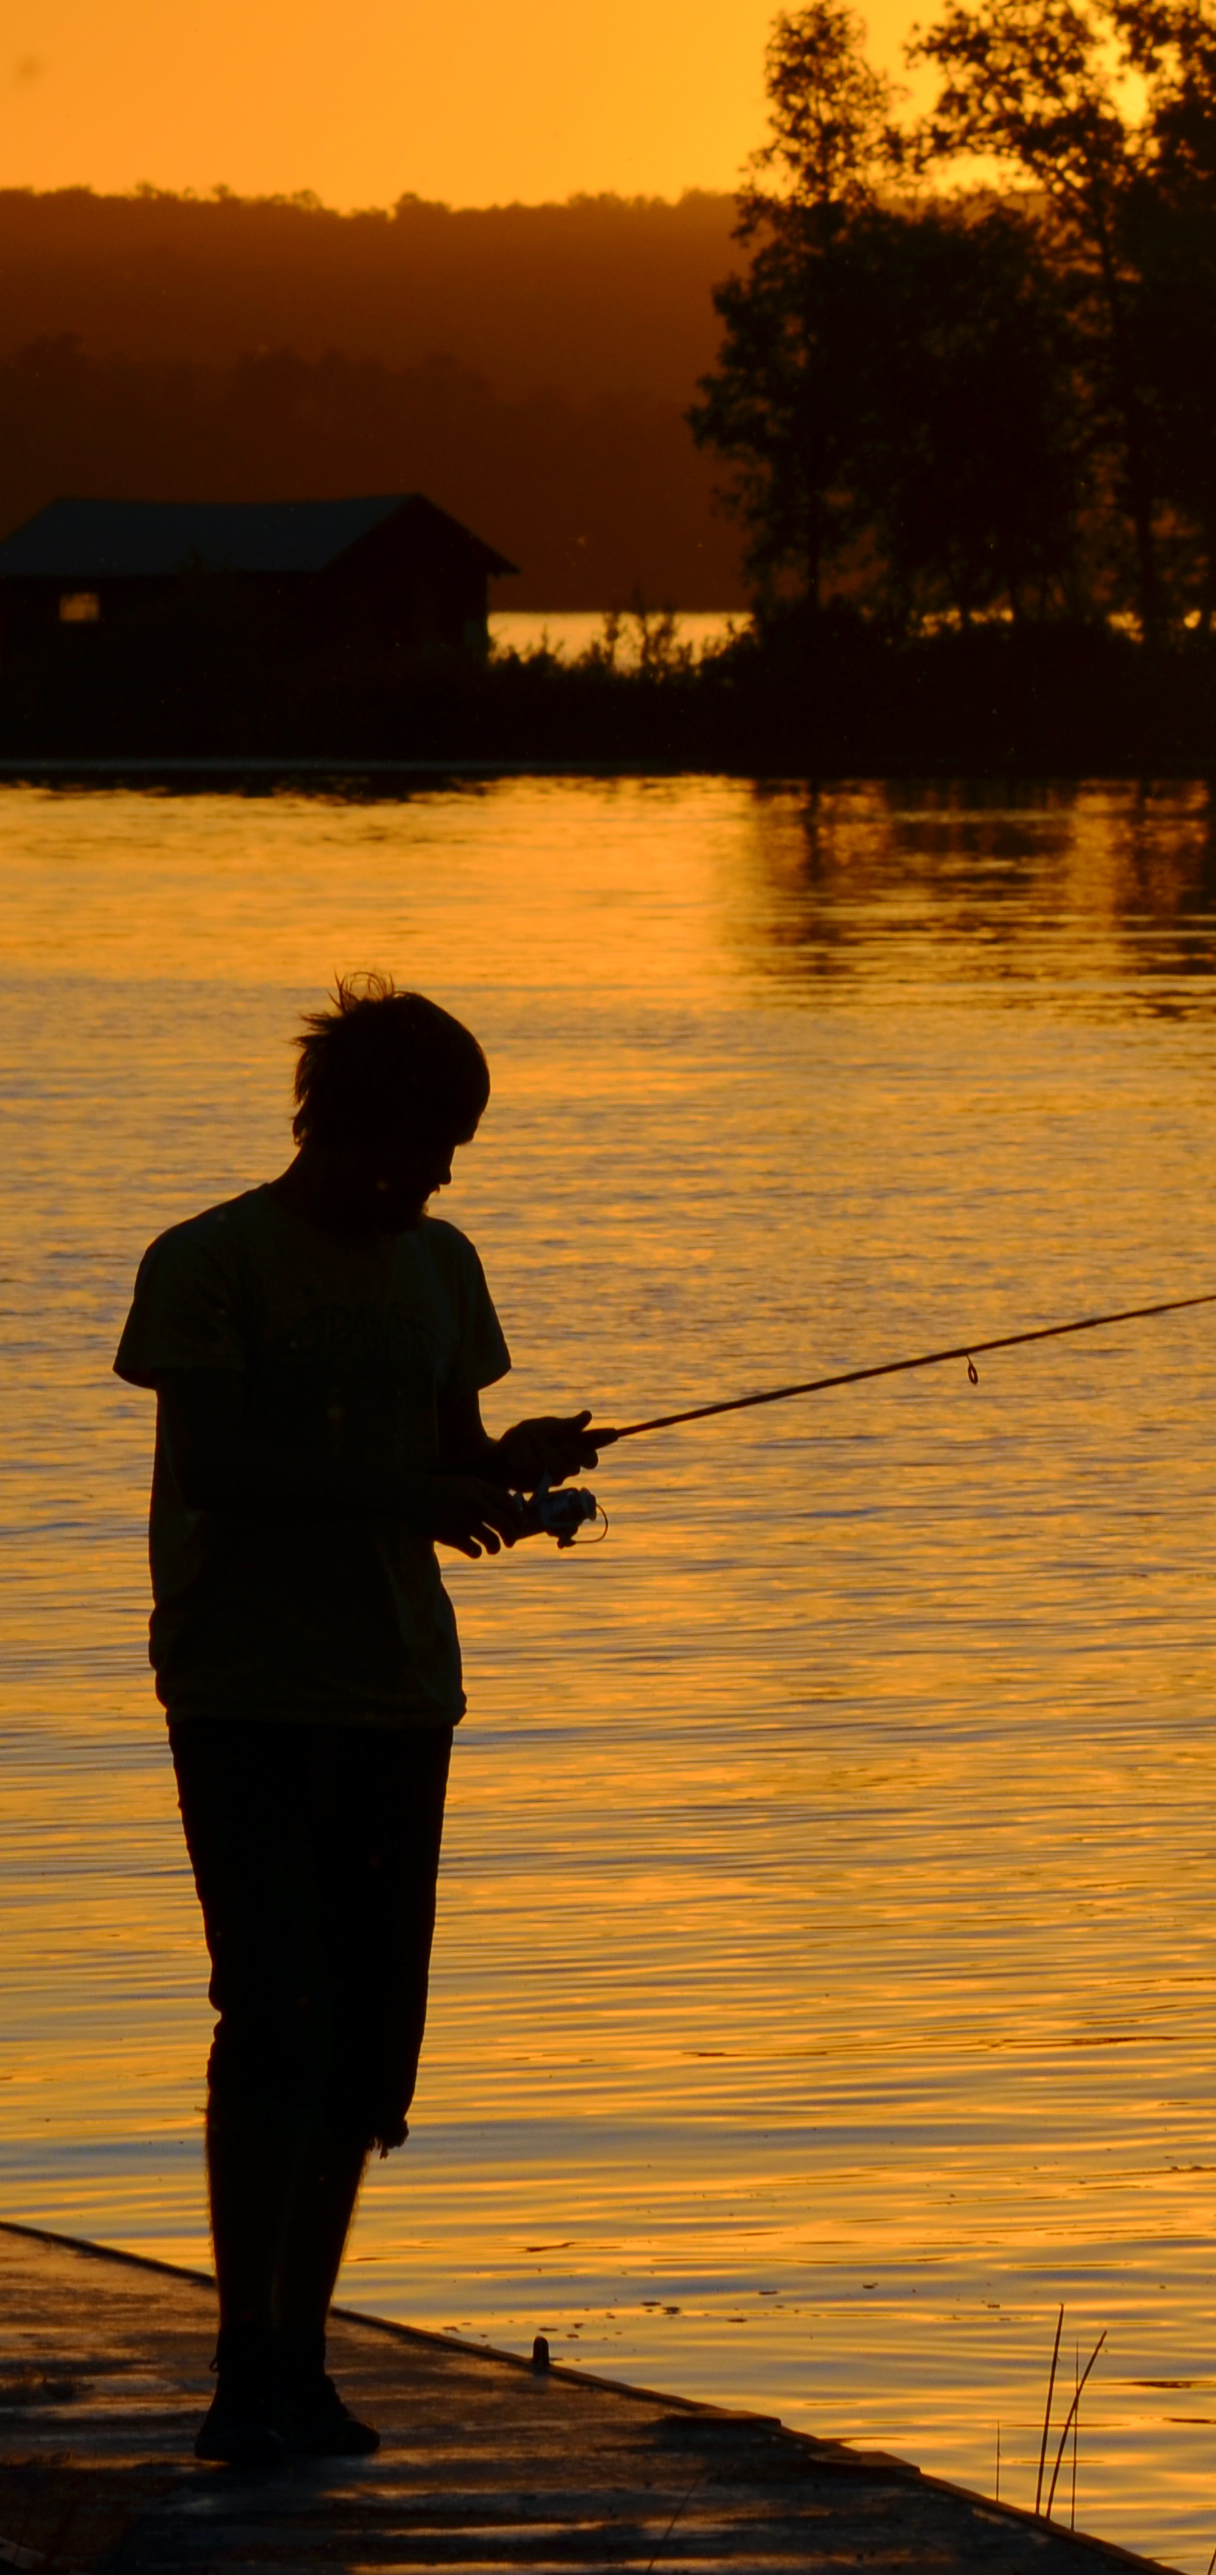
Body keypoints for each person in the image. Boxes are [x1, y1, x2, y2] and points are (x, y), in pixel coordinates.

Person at [113, 975, 609, 2470]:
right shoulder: (206, 1263)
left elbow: (447, 1471)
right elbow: (225, 1474)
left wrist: (510, 1471)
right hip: (247, 1686)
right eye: (429, 1141)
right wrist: (424, 1493)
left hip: (402, 1692)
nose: (445, 1173)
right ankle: (243, 2360)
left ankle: (299, 2357)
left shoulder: (443, 1268)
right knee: (276, 2012)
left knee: (369, 2047)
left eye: (458, 1146)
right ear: (354, 1125)